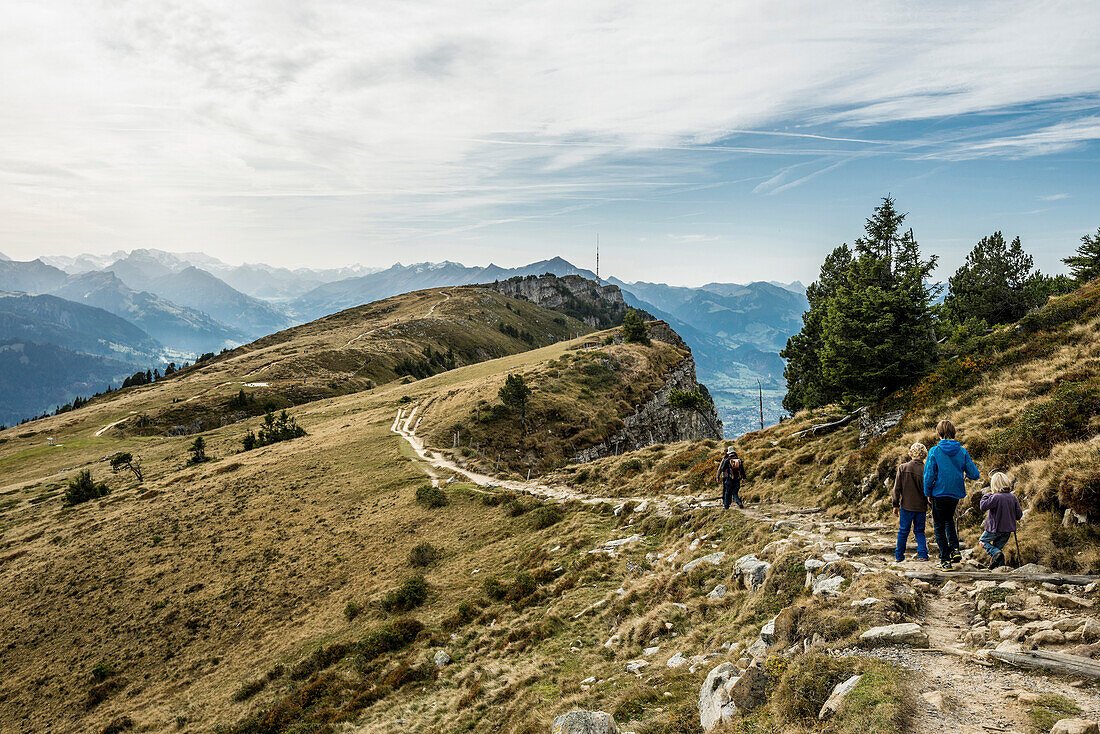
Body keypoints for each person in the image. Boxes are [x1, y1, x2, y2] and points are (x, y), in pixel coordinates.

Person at [924, 419, 980, 570]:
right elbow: (975, 474)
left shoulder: (934, 451)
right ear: (953, 432)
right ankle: (955, 549)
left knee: (939, 525)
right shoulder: (962, 451)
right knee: (948, 519)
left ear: (938, 433)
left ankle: (944, 560)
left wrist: (928, 492)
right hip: (955, 494)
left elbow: (929, 475)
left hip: (939, 492)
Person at [892, 442, 930, 562]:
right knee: (919, 531)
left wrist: (895, 505)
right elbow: (928, 489)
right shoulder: (925, 469)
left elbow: (896, 488)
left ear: (910, 453)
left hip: (906, 506)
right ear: (924, 456)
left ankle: (899, 556)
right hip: (921, 507)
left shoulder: (903, 468)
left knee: (903, 531)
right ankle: (923, 555)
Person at [979, 472, 1023, 569]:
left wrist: (987, 495)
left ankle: (996, 554)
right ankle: (1000, 568)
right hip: (1007, 530)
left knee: (983, 541)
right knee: (998, 548)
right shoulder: (1013, 497)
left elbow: (983, 506)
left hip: (994, 528)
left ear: (994, 485)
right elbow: (1019, 515)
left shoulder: (995, 497)